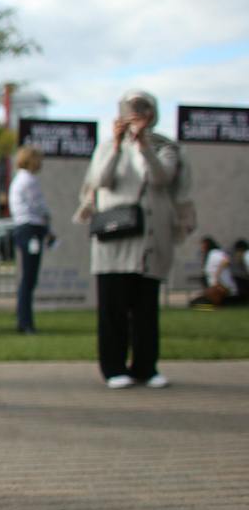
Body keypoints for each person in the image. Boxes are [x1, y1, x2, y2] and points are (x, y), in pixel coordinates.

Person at [76, 90, 186, 389]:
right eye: (129, 111)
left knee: (145, 307)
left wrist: (143, 145)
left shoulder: (164, 147)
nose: (135, 117)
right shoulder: (108, 146)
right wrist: (116, 145)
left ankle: (145, 367)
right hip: (113, 240)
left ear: (151, 115)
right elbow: (100, 180)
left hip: (149, 241)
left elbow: (160, 177)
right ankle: (113, 368)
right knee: (113, 308)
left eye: (141, 111)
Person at [10, 144, 53, 334]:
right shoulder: (29, 180)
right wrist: (47, 223)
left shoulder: (19, 179)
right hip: (31, 229)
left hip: (24, 229)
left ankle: (23, 320)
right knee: (29, 279)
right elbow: (40, 207)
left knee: (27, 279)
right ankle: (26, 323)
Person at [190, 237, 239, 309]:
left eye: (203, 246)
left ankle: (216, 305)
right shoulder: (210, 255)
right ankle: (213, 305)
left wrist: (217, 274)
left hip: (222, 289)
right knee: (195, 304)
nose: (201, 249)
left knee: (198, 304)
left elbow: (226, 261)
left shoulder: (215, 253)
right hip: (215, 290)